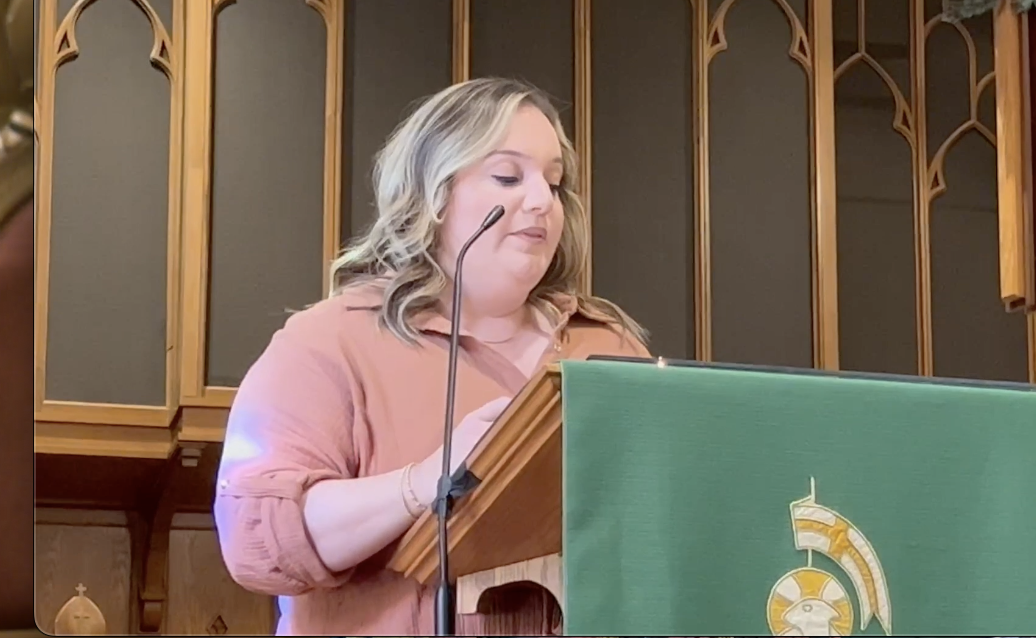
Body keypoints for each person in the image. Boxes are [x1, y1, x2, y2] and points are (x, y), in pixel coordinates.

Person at [214, 77, 651, 636]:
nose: (542, 200)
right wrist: (424, 482)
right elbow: (258, 542)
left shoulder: (608, 347)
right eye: (507, 176)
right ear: (433, 195)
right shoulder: (330, 342)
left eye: (555, 182)